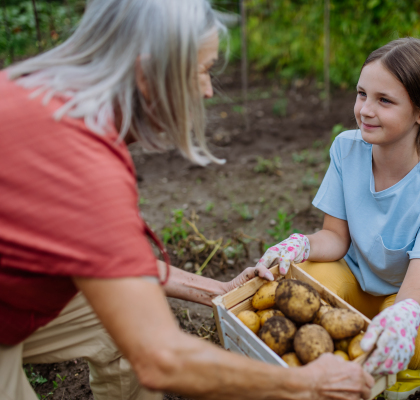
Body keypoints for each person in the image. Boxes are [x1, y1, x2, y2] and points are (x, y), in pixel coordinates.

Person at [0, 1, 374, 399]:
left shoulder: (36, 93)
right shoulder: (85, 169)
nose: (209, 90)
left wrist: (219, 290)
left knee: (116, 322)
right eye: (203, 70)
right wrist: (306, 383)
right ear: (147, 74)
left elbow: (118, 266)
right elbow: (162, 358)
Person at [256, 38, 420, 400]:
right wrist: (299, 244)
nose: (365, 109)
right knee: (300, 285)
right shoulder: (346, 149)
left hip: (405, 290)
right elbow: (335, 237)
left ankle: (410, 362)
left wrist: (404, 315)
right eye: (361, 93)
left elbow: (415, 289)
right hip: (354, 272)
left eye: (384, 100)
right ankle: (337, 349)